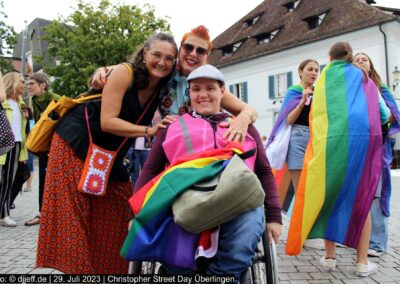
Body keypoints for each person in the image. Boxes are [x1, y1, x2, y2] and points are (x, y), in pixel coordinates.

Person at [35, 32, 178, 274]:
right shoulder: (125, 72)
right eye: (157, 55)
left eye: (169, 58)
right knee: (75, 222)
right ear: (144, 54)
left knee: (118, 218)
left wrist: (244, 114)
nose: (162, 62)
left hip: (108, 155)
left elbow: (198, 71)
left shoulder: (163, 85)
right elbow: (108, 122)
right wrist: (149, 130)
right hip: (75, 143)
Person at [127, 64, 282, 281]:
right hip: (183, 200)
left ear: (222, 91)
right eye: (196, 89)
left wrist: (274, 216)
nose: (203, 95)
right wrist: (136, 214)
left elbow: (264, 171)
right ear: (189, 94)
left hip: (238, 201)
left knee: (243, 239)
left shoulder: (245, 127)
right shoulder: (172, 128)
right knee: (175, 256)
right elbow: (151, 170)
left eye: (210, 88)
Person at [286, 42, 384, 277]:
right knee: (361, 201)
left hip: (329, 150)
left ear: (330, 57)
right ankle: (361, 263)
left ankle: (330, 258)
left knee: (330, 198)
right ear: (350, 58)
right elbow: (384, 114)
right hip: (360, 149)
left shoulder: (324, 81)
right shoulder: (365, 82)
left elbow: (316, 116)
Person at [91, 25, 258, 142]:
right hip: (169, 145)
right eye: (188, 47)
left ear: (207, 55)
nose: (193, 54)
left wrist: (243, 119)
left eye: (200, 51)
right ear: (181, 50)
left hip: (203, 146)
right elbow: (136, 67)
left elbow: (249, 110)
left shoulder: (209, 84)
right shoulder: (166, 72)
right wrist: (103, 70)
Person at [267, 59, 323, 249]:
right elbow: (288, 120)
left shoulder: (319, 93)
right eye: (310, 69)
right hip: (298, 140)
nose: (314, 73)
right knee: (302, 190)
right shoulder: (294, 92)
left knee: (313, 189)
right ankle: (303, 235)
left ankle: (308, 232)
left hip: (315, 142)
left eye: (317, 70)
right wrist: (302, 102)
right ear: (300, 72)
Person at [353, 52, 400, 257]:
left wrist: (374, 112)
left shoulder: (380, 88)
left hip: (377, 147)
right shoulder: (349, 90)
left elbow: (394, 114)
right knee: (356, 194)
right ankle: (358, 239)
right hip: (354, 147)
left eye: (364, 58)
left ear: (370, 64)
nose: (361, 61)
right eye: (356, 59)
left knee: (376, 195)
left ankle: (377, 243)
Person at [24, 73, 60, 226]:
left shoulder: (56, 99)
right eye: (28, 83)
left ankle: (58, 215)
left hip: (58, 146)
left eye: (32, 83)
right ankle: (42, 213)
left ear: (42, 85)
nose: (28, 86)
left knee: (57, 181)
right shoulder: (34, 101)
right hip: (45, 147)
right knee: (43, 180)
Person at [0, 72, 28, 227]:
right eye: (22, 82)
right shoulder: (3, 103)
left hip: (15, 145)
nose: (24, 85)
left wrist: (23, 153)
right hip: (4, 144)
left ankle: (4, 213)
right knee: (4, 180)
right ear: (12, 82)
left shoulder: (21, 104)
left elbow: (22, 131)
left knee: (8, 181)